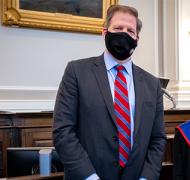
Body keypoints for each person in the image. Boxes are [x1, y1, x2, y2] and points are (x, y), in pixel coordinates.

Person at [53, 5, 167, 180]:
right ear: (105, 32)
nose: (124, 34)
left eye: (130, 30)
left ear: (137, 39)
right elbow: (63, 131)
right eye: (118, 28)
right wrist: (89, 177)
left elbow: (158, 139)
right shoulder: (77, 71)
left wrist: (146, 177)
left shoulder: (152, 84)